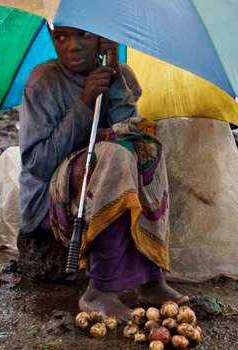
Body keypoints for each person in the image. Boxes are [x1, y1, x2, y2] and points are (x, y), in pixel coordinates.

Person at [18, 26, 187, 321]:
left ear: (100, 38)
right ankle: (100, 289)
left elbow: (129, 131)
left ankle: (151, 279)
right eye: (61, 37)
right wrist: (85, 102)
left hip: (101, 182)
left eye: (83, 35)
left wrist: (113, 73)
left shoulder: (118, 75)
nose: (73, 46)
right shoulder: (44, 81)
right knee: (114, 156)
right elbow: (38, 163)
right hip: (51, 200)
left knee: (146, 149)